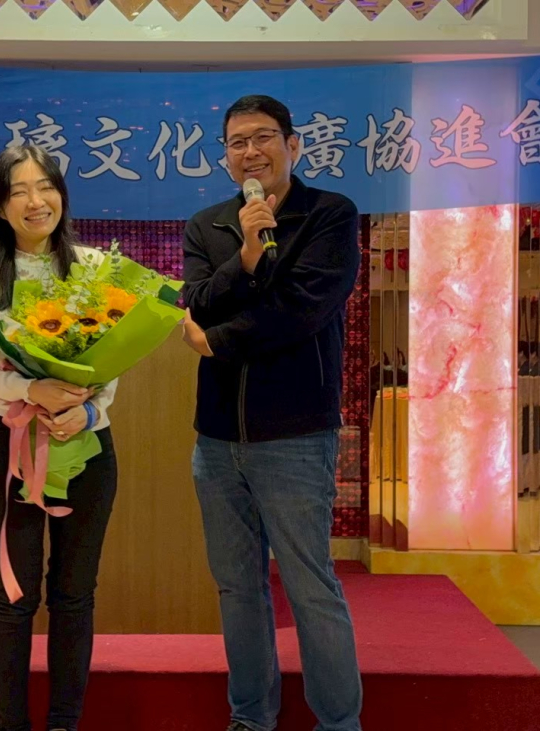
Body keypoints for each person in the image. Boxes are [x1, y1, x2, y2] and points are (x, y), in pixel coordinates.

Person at [179, 95, 364, 731]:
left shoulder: (329, 215)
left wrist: (218, 342)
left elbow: (303, 309)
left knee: (311, 586)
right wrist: (249, 256)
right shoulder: (208, 224)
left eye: (263, 138)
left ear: (293, 145)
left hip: (296, 435)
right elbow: (197, 300)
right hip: (216, 439)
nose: (250, 152)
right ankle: (251, 717)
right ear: (225, 156)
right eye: (237, 142)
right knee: (237, 587)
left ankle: (337, 723)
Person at [0, 144, 119, 731]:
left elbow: (111, 358)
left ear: (62, 196)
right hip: (10, 443)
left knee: (75, 595)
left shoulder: (93, 267)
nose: (35, 200)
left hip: (87, 446)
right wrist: (31, 389)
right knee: (14, 594)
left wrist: (87, 411)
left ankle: (64, 723)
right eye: (18, 190)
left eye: (45, 187)